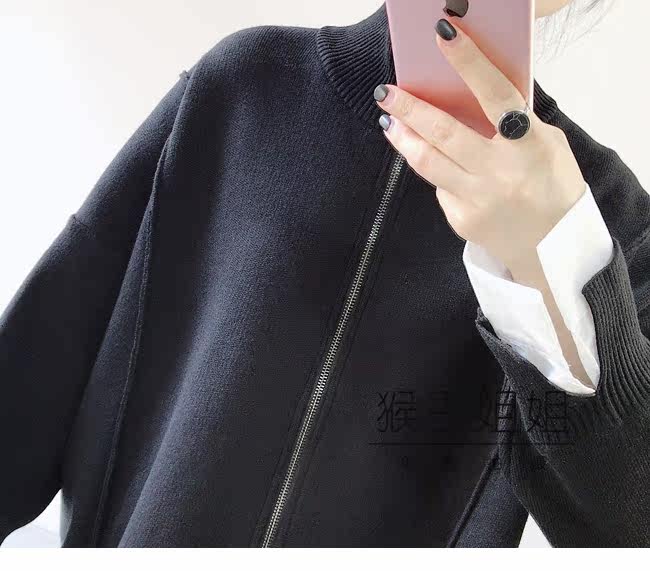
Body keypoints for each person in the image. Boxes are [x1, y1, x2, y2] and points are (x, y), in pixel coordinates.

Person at [1, 0, 648, 548]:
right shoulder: (247, 86)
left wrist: (558, 253)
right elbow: (35, 374)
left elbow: (627, 526)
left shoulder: (610, 220)